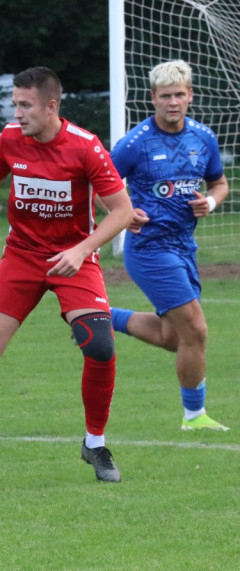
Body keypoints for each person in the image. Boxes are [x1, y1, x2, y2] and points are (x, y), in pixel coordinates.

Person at [0, 66, 134, 485]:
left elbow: (122, 210)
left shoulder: (85, 147)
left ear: (51, 106)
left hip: (74, 259)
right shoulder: (10, 138)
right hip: (22, 258)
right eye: (15, 104)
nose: (17, 113)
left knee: (99, 346)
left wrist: (82, 250)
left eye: (25, 105)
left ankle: (95, 444)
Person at [109, 60, 230, 432]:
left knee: (173, 337)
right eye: (165, 96)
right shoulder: (134, 144)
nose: (173, 102)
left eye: (179, 94)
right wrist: (125, 214)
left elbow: (220, 183)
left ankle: (97, 314)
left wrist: (209, 203)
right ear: (153, 99)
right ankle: (194, 416)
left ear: (190, 96)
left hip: (184, 247)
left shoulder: (203, 137)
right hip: (149, 248)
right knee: (196, 330)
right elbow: (102, 185)